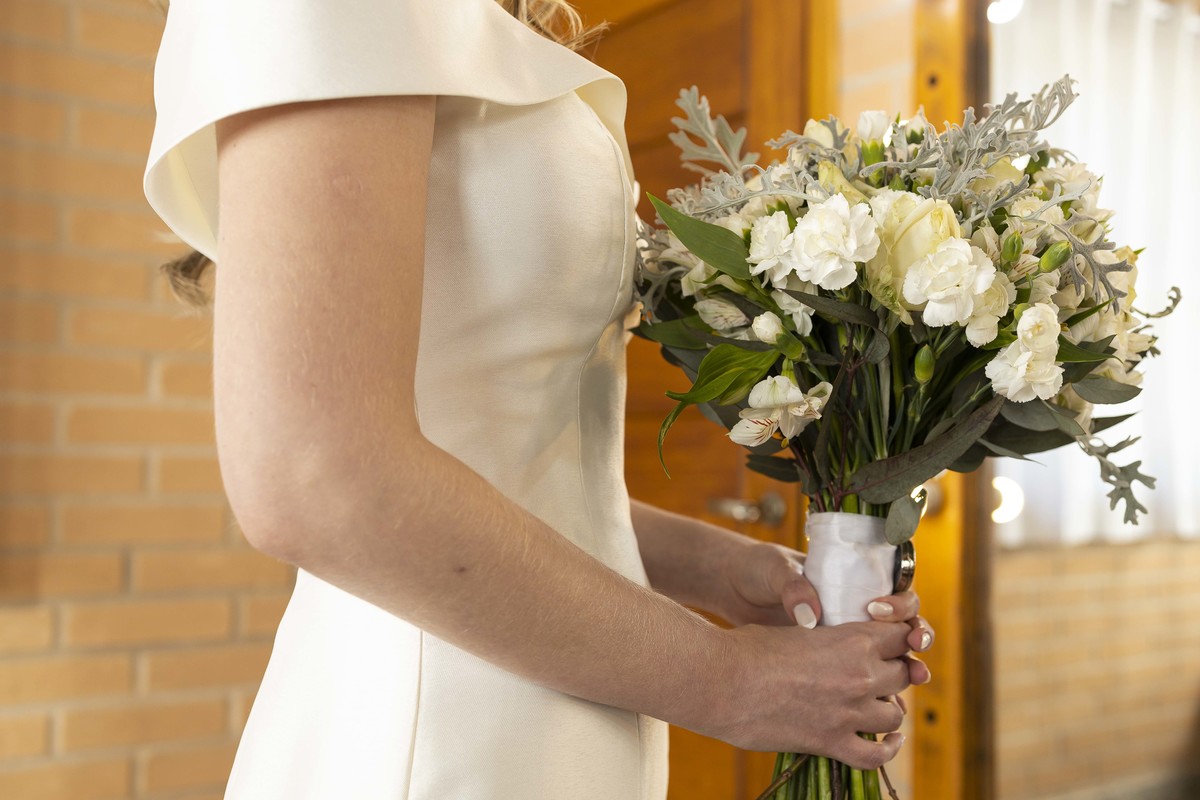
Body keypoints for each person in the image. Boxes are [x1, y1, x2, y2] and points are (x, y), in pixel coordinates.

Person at [143, 1, 934, 797]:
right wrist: (725, 678)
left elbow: (503, 458)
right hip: (441, 736)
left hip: (565, 712)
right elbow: (316, 477)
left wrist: (720, 572)